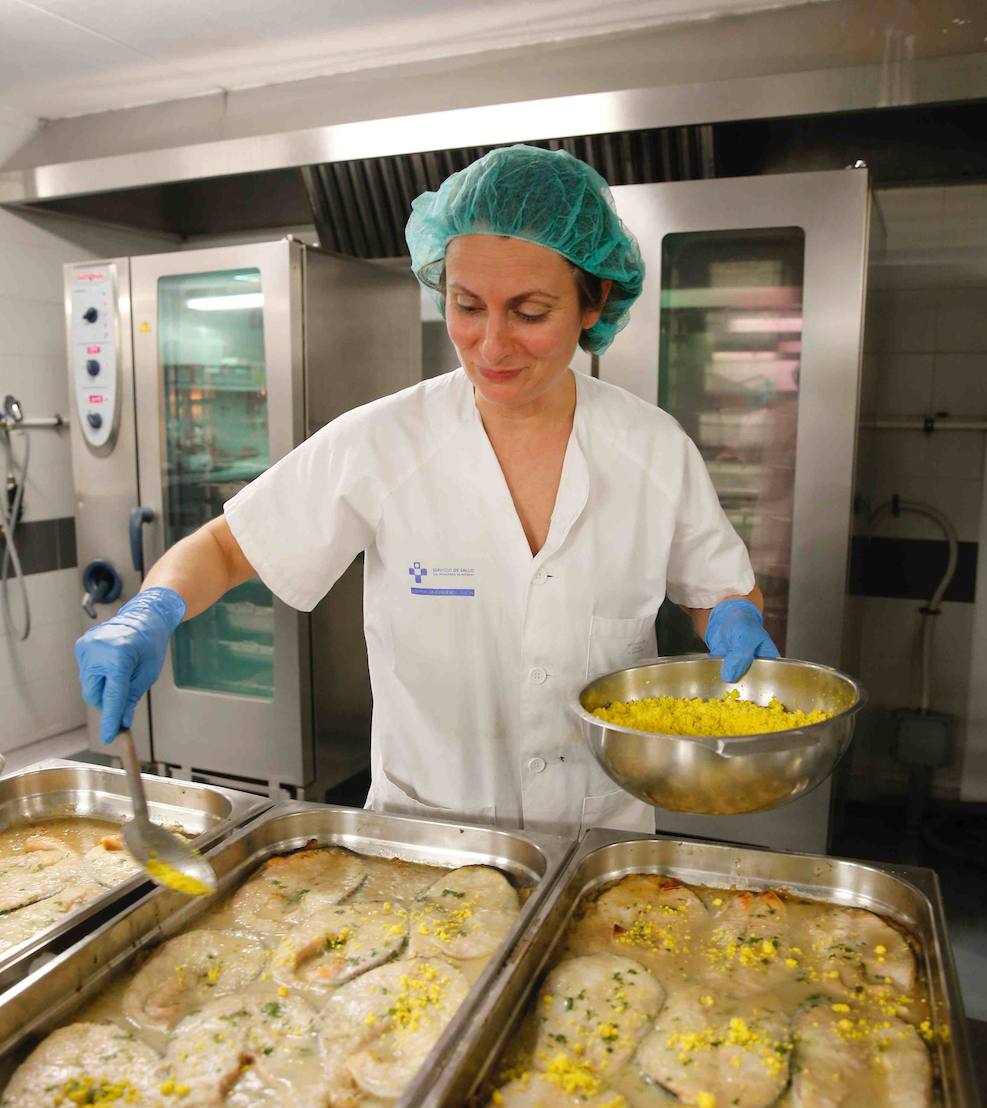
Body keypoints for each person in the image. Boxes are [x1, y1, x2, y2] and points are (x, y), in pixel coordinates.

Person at [75, 145, 778, 837]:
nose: (491, 345)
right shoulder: (385, 440)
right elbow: (229, 548)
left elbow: (715, 588)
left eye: (530, 313)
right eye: (467, 306)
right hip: (426, 838)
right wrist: (151, 612)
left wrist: (731, 616)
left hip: (598, 836)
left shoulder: (652, 448)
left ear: (592, 303)